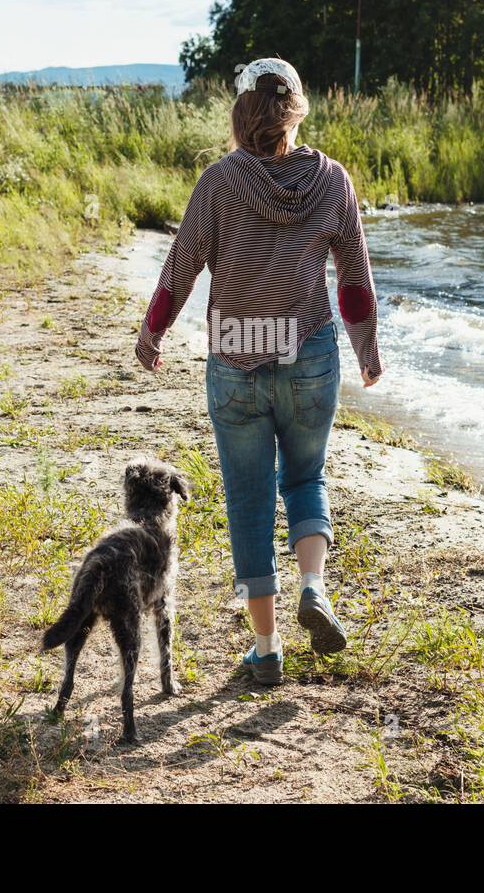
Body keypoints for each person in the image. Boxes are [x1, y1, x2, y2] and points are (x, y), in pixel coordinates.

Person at [135, 57, 382, 684]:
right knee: (305, 478)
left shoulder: (220, 182)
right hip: (310, 354)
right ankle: (314, 587)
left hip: (237, 360)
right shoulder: (333, 180)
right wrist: (366, 348)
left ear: (242, 113)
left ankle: (267, 648)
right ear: (297, 109)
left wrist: (153, 330)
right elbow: (353, 274)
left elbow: (183, 265)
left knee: (248, 500)